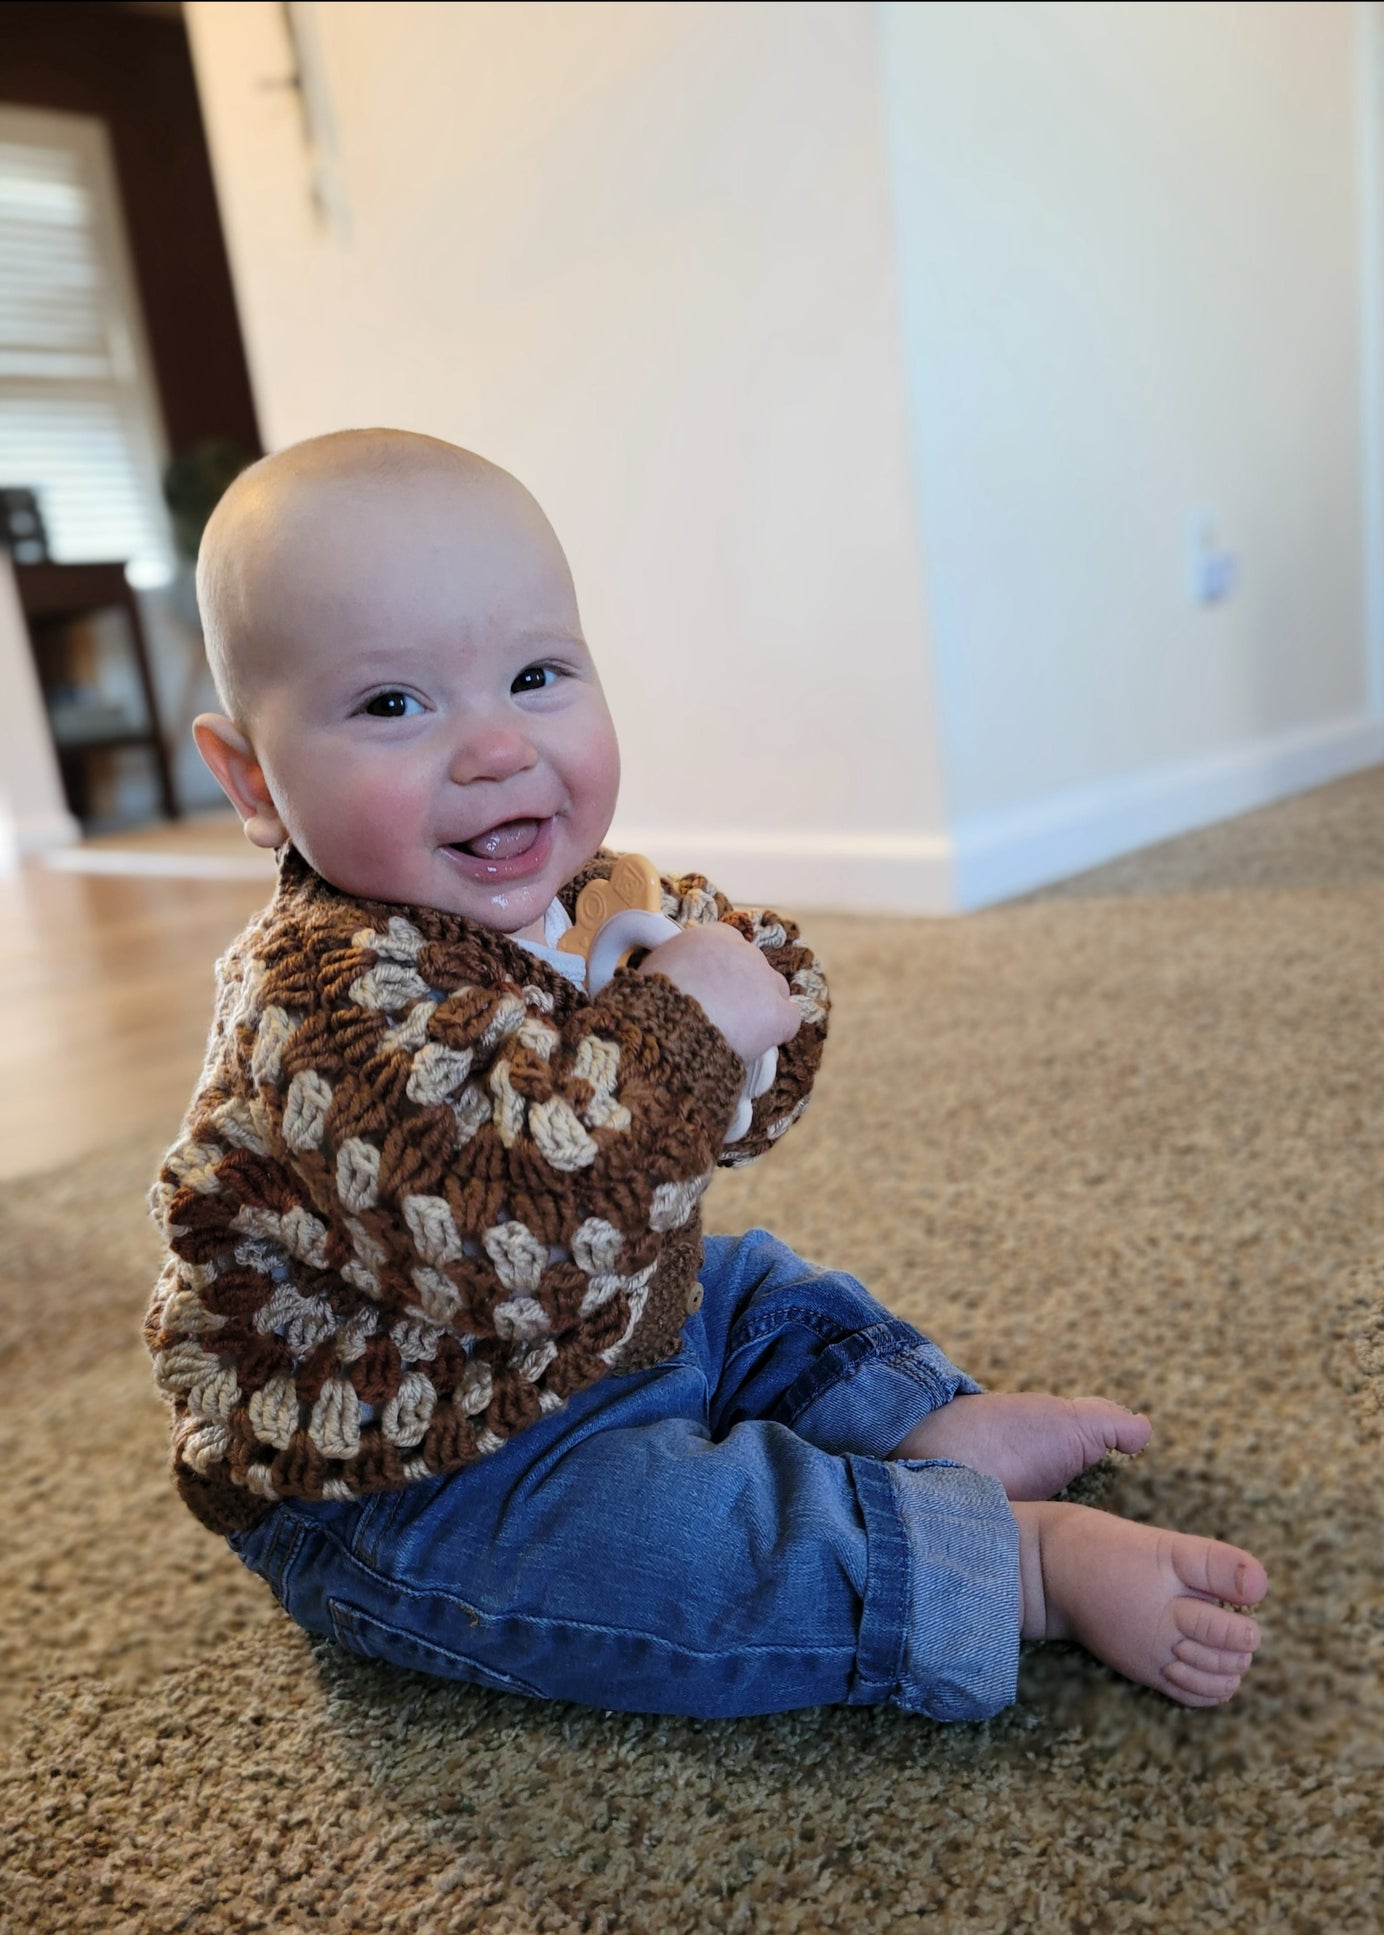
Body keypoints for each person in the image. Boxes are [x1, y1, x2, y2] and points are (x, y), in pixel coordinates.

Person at [146, 428, 1267, 1722]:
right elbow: (523, 1229)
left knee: (746, 1287)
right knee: (662, 1544)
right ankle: (1008, 1562)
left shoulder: (576, 895)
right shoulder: (324, 1004)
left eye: (535, 674)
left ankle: (918, 1428)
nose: (496, 748)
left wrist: (740, 1002)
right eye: (394, 704)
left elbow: (752, 1041)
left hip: (601, 1329)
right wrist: (680, 1030)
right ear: (252, 779)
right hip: (405, 1466)